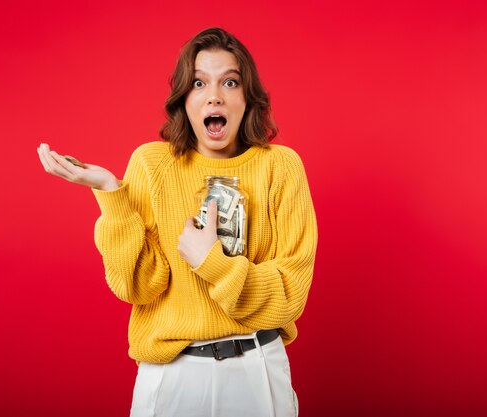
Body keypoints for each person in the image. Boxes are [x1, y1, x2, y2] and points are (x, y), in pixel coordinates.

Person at [37, 27, 317, 417]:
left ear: (247, 98)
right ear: (184, 99)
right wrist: (111, 193)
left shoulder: (281, 168)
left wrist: (212, 263)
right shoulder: (153, 164)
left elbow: (289, 296)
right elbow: (138, 286)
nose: (214, 95)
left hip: (258, 371)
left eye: (230, 82)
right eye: (199, 83)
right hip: (174, 376)